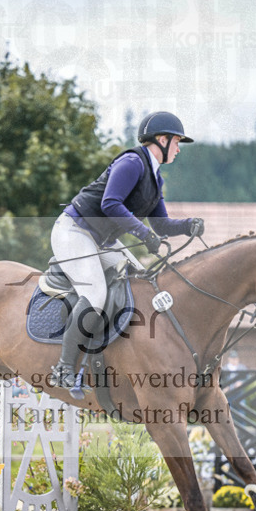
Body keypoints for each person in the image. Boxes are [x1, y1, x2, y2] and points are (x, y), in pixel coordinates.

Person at [49, 111, 205, 390]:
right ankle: (63, 368)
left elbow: (161, 225)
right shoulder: (132, 162)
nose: (179, 149)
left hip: (102, 241)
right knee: (95, 293)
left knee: (141, 279)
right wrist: (142, 233)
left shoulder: (156, 181)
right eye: (177, 142)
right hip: (75, 230)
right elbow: (110, 203)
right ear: (161, 140)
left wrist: (187, 226)